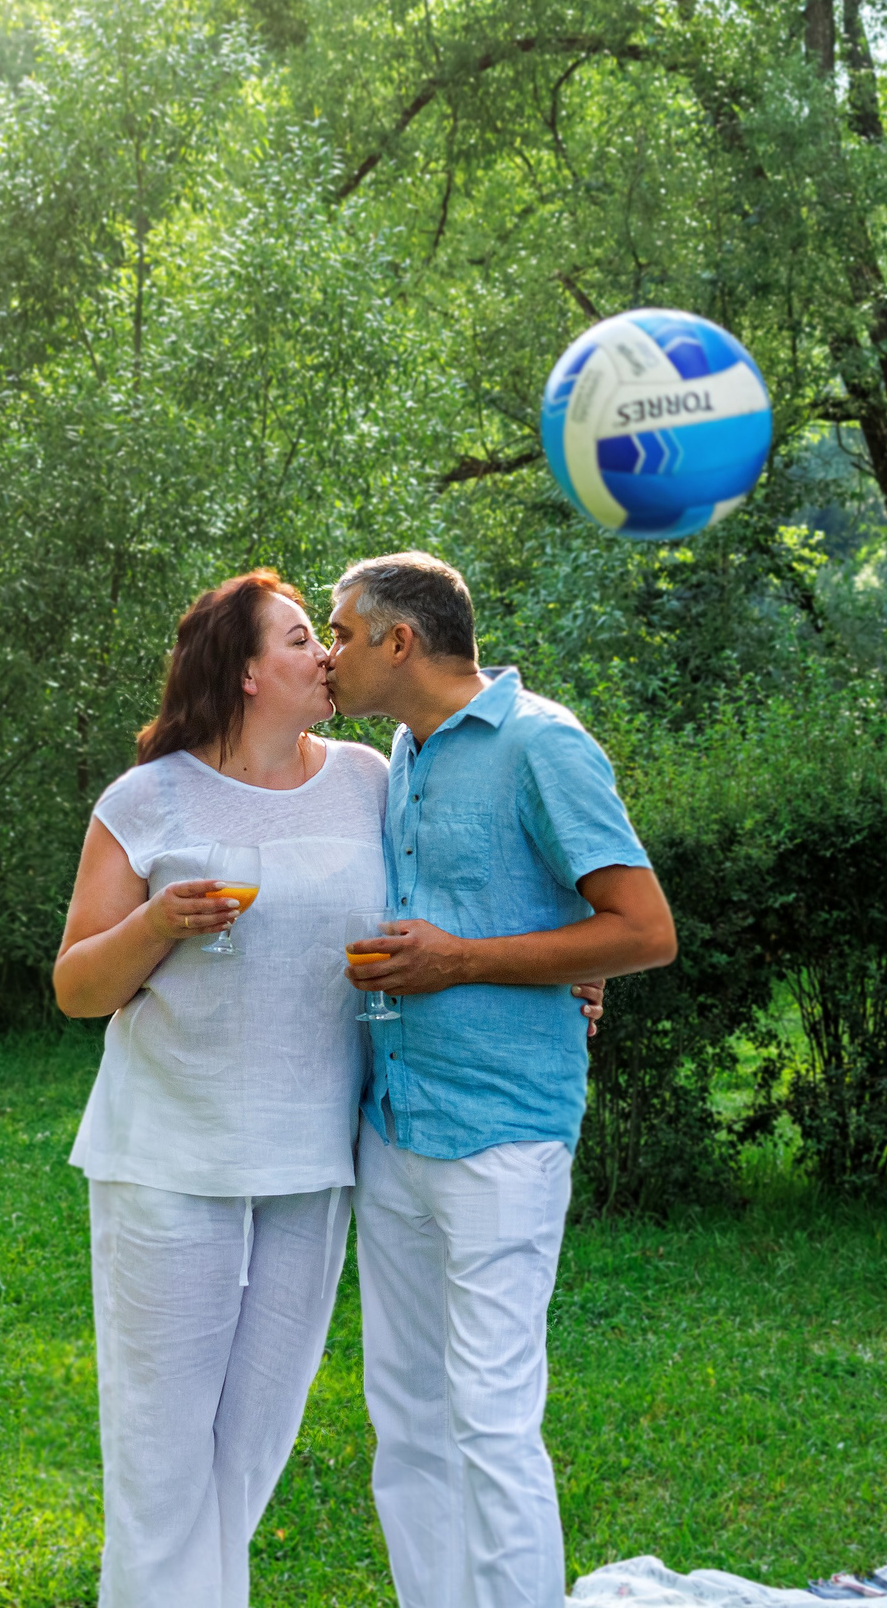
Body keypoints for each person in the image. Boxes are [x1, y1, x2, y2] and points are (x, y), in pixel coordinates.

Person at [324, 551, 677, 1608]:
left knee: (488, 1416)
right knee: (406, 1417)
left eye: (339, 632)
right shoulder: (403, 750)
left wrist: (468, 963)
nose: (329, 651)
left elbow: (644, 932)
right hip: (394, 1124)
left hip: (502, 1132)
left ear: (400, 641)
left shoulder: (541, 745)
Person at [51, 570, 388, 1608]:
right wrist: (155, 926)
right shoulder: (147, 798)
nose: (323, 655)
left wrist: (563, 971)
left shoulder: (373, 779)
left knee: (248, 1450)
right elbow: (75, 989)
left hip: (310, 1156)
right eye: (298, 639)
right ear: (245, 673)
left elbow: (456, 895)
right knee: (161, 1454)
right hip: (169, 1156)